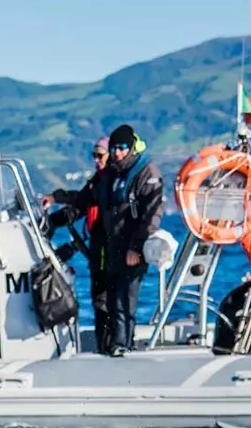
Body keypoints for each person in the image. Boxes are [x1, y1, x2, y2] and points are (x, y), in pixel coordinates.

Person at [94, 125, 163, 355]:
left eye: (122, 148)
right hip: (114, 246)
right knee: (113, 300)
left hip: (134, 248)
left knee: (126, 299)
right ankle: (116, 343)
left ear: (131, 147)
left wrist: (136, 247)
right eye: (113, 148)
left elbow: (153, 214)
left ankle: (124, 344)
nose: (117, 153)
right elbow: (89, 196)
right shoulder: (112, 173)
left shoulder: (147, 173)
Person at [41, 137, 111, 353]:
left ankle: (110, 349)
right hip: (96, 249)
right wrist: (53, 219)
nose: (96, 160)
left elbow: (82, 201)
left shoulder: (111, 182)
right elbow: (79, 204)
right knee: (100, 301)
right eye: (94, 156)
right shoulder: (97, 181)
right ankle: (104, 348)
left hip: (108, 251)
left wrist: (58, 202)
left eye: (100, 156)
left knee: (106, 301)